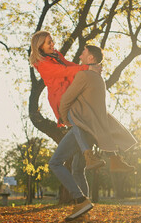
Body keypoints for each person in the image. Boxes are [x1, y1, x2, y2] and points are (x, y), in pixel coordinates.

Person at [30, 31, 105, 171]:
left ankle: (97, 156)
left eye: (51, 40)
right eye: (48, 43)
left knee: (85, 123)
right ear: (40, 46)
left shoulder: (56, 54)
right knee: (77, 122)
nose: (52, 44)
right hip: (61, 99)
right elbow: (63, 71)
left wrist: (89, 70)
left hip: (72, 93)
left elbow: (69, 65)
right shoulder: (42, 64)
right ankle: (88, 155)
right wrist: (87, 68)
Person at [59, 45, 137, 174]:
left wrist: (64, 118)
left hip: (82, 122)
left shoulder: (84, 75)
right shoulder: (100, 79)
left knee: (65, 164)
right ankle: (114, 160)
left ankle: (93, 158)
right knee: (77, 168)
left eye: (83, 53)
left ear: (90, 57)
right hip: (94, 124)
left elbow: (65, 100)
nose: (80, 56)